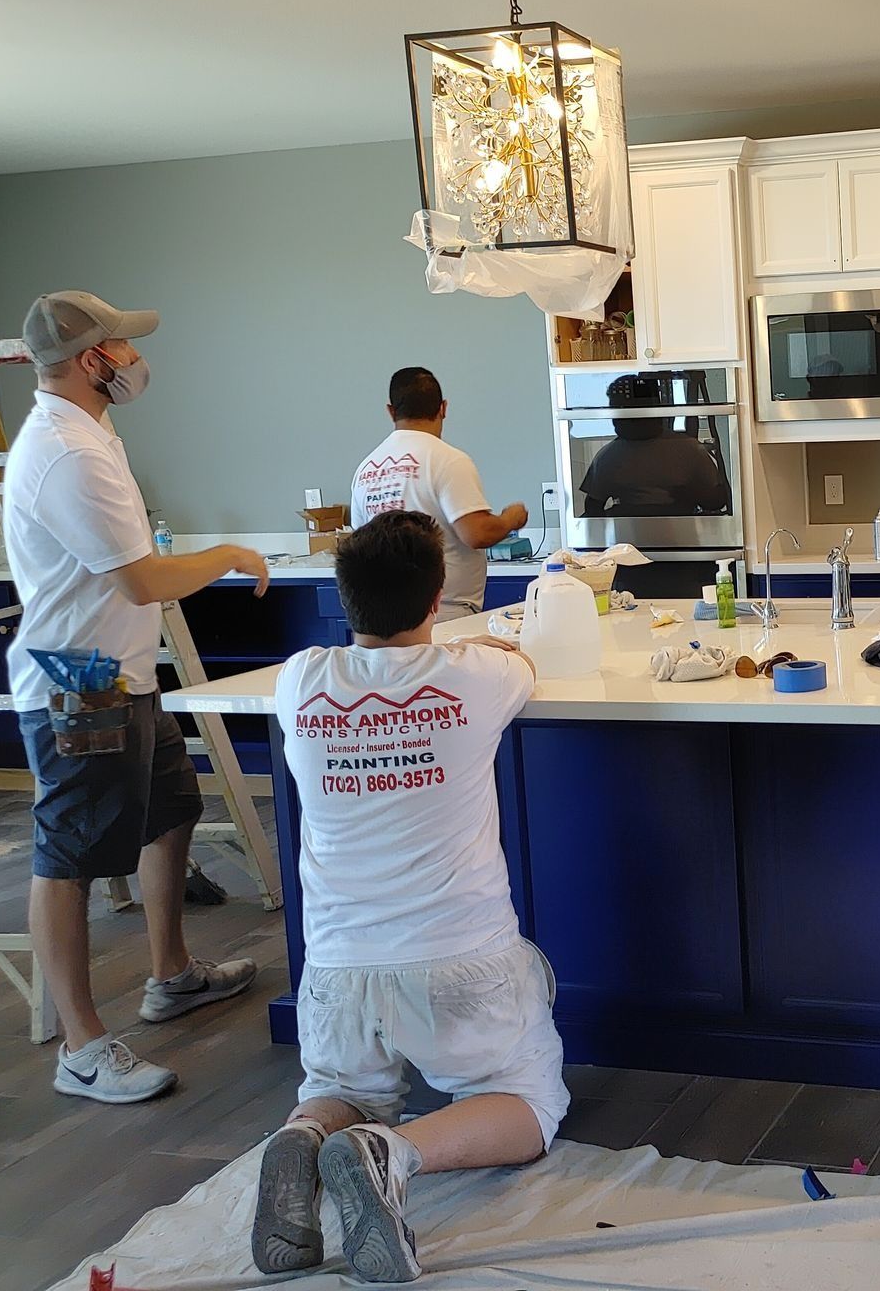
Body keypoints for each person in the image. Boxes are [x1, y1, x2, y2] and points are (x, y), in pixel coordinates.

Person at [252, 510, 564, 1282]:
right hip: (459, 963)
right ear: (437, 600)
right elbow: (523, 662)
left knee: (341, 1087)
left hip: (336, 971)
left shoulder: (301, 680)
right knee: (528, 1105)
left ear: (342, 598)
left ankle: (306, 1135)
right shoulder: (475, 675)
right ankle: (391, 1152)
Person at [7, 291, 270, 1104]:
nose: (132, 358)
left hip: (119, 672)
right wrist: (227, 553)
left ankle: (170, 975)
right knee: (69, 857)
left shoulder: (88, 429)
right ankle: (81, 1049)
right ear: (92, 362)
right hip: (80, 688)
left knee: (171, 812)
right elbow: (141, 576)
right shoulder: (67, 452)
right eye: (120, 347)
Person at [350, 367, 527, 618]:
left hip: (385, 616)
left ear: (391, 411)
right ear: (443, 408)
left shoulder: (366, 470)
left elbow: (358, 549)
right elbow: (477, 534)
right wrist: (512, 518)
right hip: (443, 612)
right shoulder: (448, 460)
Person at [577, 373, 731, 519]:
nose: (619, 421)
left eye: (624, 416)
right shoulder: (609, 457)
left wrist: (690, 493)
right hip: (629, 542)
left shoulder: (688, 449)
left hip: (682, 536)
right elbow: (592, 510)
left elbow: (718, 500)